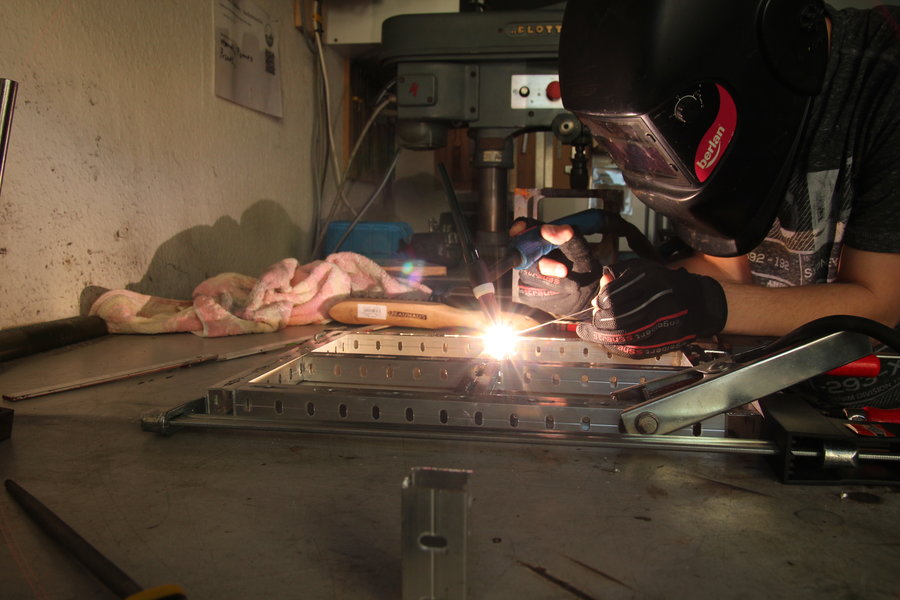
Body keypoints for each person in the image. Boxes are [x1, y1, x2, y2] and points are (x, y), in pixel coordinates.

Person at [511, 0, 900, 407]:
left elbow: (879, 307)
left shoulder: (883, 71)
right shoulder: (680, 97)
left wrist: (706, 304)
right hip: (774, 401)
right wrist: (607, 294)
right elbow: (727, 270)